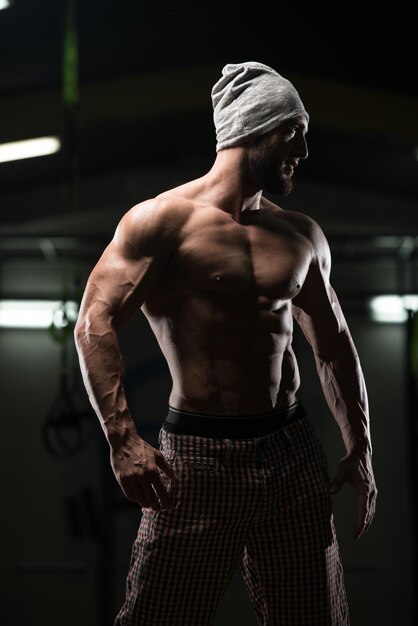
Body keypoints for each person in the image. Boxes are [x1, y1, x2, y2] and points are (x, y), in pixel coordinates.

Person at [74, 61, 377, 626]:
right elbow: (94, 321)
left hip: (291, 451)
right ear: (256, 130)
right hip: (199, 456)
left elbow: (333, 344)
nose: (305, 151)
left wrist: (359, 444)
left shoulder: (301, 234)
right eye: (294, 132)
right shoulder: (160, 222)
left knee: (315, 617)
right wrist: (122, 440)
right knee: (159, 617)